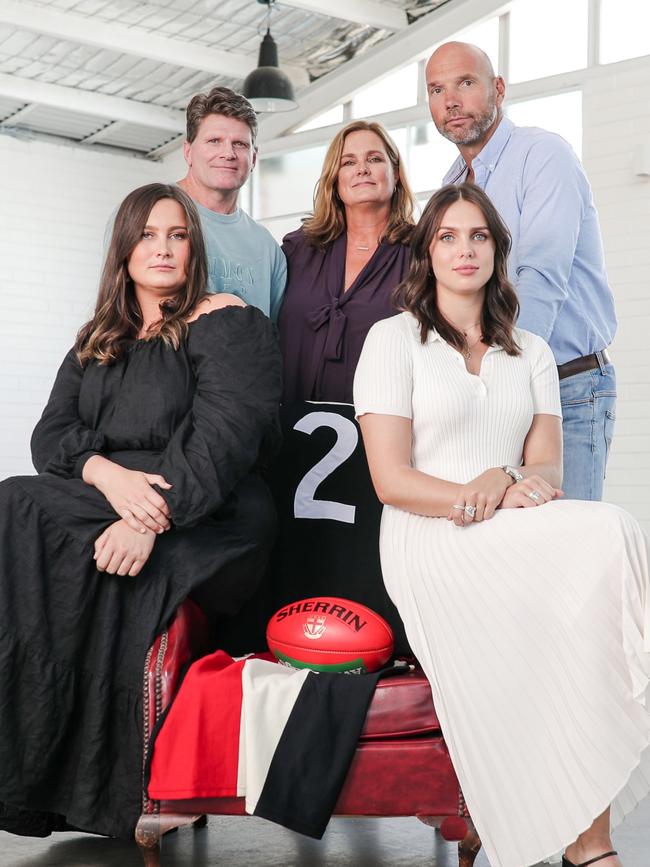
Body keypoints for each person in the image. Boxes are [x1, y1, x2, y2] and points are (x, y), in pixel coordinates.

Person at [353, 183, 649, 867]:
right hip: (429, 535)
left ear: (497, 249)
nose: (465, 249)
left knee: (604, 561)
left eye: (479, 235)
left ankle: (589, 842)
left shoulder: (533, 350)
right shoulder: (393, 340)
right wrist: (474, 489)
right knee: (609, 534)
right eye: (448, 236)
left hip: (509, 526)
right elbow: (390, 480)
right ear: (428, 252)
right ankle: (580, 842)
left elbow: (549, 466)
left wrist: (509, 479)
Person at [0, 183, 282, 840]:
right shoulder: (100, 337)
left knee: (134, 569)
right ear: (124, 248)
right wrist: (104, 473)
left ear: (194, 247)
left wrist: (145, 517)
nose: (163, 247)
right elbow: (51, 436)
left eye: (177, 234)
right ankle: (33, 776)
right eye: (149, 234)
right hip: (110, 498)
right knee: (14, 500)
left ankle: (119, 790)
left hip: (210, 514)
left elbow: (223, 439)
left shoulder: (228, 319)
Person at [426, 41, 617, 501]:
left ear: (498, 89)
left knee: (566, 550)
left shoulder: (543, 155)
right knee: (509, 556)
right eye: (436, 89)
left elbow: (540, 275)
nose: (450, 100)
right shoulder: (452, 185)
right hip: (490, 395)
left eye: (465, 83)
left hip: (566, 388)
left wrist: (495, 379)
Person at [278, 120, 415, 404]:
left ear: (396, 173)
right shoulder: (297, 250)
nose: (362, 169)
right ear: (334, 178)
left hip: (381, 427)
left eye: (374, 159)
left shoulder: (422, 253)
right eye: (348, 162)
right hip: (289, 426)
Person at [177, 85, 286, 320]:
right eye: (214, 141)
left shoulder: (266, 247)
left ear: (254, 157)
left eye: (240, 144)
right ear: (188, 152)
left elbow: (272, 337)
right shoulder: (150, 214)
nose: (228, 153)